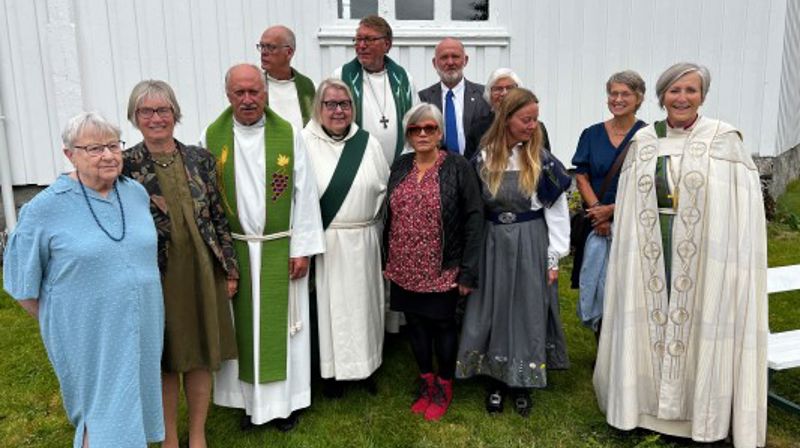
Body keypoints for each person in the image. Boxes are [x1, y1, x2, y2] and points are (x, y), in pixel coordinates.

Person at [593, 62, 767, 448]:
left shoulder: (724, 140)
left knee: (703, 321)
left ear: (702, 95)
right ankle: (641, 409)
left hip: (705, 254)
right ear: (661, 97)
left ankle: (701, 414)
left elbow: (739, 206)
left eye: (690, 90)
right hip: (649, 250)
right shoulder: (644, 142)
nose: (682, 98)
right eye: (674, 91)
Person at [3, 112, 164, 447]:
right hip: (88, 333)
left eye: (112, 146)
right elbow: (20, 283)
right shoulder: (44, 209)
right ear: (69, 154)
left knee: (134, 404)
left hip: (143, 323)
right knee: (102, 414)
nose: (107, 155)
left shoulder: (134, 193)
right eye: (93, 149)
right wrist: (64, 319)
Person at [201, 63, 325, 431]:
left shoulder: (286, 135)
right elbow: (206, 200)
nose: (248, 99)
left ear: (265, 94)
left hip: (279, 248)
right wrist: (219, 257)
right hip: (236, 248)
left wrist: (301, 247)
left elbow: (304, 194)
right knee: (243, 330)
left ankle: (285, 405)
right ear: (228, 95)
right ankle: (249, 404)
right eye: (239, 92)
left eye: (254, 91)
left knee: (287, 330)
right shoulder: (212, 137)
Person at [122, 80, 239, 448]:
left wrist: (230, 268)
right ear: (135, 118)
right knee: (166, 356)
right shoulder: (124, 166)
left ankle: (199, 434)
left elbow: (219, 215)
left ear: (175, 114)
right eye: (147, 111)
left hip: (203, 268)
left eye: (163, 110)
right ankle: (170, 437)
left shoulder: (200, 159)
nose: (156, 118)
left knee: (202, 353)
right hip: (158, 275)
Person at [456, 88, 571, 417]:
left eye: (535, 118)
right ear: (506, 119)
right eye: (526, 119)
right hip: (492, 241)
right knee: (492, 306)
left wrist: (553, 257)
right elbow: (473, 209)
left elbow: (557, 212)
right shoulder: (484, 157)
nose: (533, 125)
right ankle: (495, 378)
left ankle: (522, 381)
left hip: (530, 240)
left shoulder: (542, 160)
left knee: (526, 308)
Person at [384, 103, 484, 421]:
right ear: (408, 134)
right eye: (415, 129)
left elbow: (474, 217)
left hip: (442, 265)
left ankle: (444, 385)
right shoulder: (400, 166)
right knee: (414, 323)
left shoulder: (457, 167)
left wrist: (468, 271)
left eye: (429, 128)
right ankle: (426, 379)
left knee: (442, 324)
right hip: (404, 265)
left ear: (440, 132)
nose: (423, 134)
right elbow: (389, 213)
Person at [301, 78, 388, 396]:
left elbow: (383, 189)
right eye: (330, 104)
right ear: (318, 108)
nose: (338, 111)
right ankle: (331, 373)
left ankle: (364, 368)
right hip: (327, 242)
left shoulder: (368, 143)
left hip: (364, 239)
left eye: (345, 104)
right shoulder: (303, 142)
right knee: (330, 309)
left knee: (364, 307)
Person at [571, 70, 647, 343]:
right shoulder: (591, 134)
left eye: (625, 94)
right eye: (613, 93)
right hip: (598, 225)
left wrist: (612, 210)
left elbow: (649, 184)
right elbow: (581, 175)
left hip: (633, 222)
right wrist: (598, 212)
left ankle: (626, 351)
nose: (617, 99)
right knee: (599, 286)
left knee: (627, 288)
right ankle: (602, 351)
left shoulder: (648, 137)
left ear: (639, 98)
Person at [332, 15, 418, 167]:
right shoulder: (341, 77)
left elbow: (416, 123)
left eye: (369, 39)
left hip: (399, 169)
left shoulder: (404, 79)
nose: (362, 45)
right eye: (358, 39)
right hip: (356, 170)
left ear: (387, 45)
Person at [418, 37, 492, 155]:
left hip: (476, 168)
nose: (450, 62)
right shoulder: (423, 99)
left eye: (455, 57)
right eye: (444, 57)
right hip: (437, 169)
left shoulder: (485, 95)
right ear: (434, 63)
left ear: (465, 60)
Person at [464, 68, 551, 160]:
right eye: (498, 89)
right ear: (489, 94)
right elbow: (470, 168)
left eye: (510, 88)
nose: (504, 93)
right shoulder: (478, 129)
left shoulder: (537, 128)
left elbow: (548, 164)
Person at [258, 25, 316, 129]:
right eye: (262, 46)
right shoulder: (255, 87)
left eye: (271, 47)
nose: (264, 52)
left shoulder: (310, 87)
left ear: (289, 52)